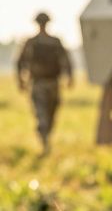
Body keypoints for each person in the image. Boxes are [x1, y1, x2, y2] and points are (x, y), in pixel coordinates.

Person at [14, 11, 73, 154]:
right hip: (42, 83)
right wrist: (69, 76)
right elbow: (20, 62)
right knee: (43, 114)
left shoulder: (46, 42)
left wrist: (20, 80)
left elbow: (66, 60)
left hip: (47, 83)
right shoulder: (38, 42)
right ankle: (45, 141)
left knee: (49, 114)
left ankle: (45, 139)